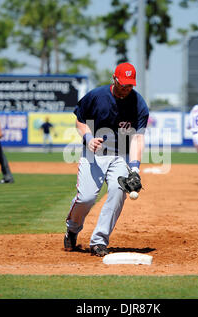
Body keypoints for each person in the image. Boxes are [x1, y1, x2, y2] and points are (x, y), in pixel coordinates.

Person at [64, 62, 149, 257]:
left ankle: (99, 241)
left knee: (118, 192)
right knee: (86, 198)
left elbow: (138, 137)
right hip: (93, 154)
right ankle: (72, 228)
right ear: (114, 78)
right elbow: (80, 120)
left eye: (130, 85)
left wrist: (135, 169)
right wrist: (87, 138)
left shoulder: (139, 104)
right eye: (122, 84)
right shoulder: (97, 96)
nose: (126, 89)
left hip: (120, 156)